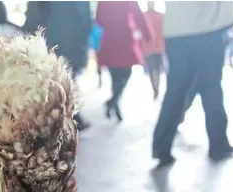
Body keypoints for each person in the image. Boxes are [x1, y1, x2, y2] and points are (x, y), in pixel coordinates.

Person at [152, 2, 233, 166]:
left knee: (175, 91)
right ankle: (218, 144)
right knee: (212, 89)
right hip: (208, 31)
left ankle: (161, 147)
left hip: (177, 32)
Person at [24, 1, 93, 131]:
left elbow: (33, 15)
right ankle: (70, 118)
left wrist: (30, 36)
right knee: (67, 81)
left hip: (48, 40)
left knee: (50, 81)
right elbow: (85, 19)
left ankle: (61, 118)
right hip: (71, 41)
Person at [96, 1, 153, 121]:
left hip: (110, 38)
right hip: (124, 38)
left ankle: (113, 101)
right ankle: (114, 102)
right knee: (125, 74)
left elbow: (99, 19)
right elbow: (138, 16)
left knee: (115, 77)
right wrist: (147, 35)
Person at [141, 1, 165, 99]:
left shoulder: (145, 16)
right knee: (154, 69)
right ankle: (155, 88)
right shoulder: (144, 16)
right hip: (151, 48)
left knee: (154, 69)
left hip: (154, 47)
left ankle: (156, 88)